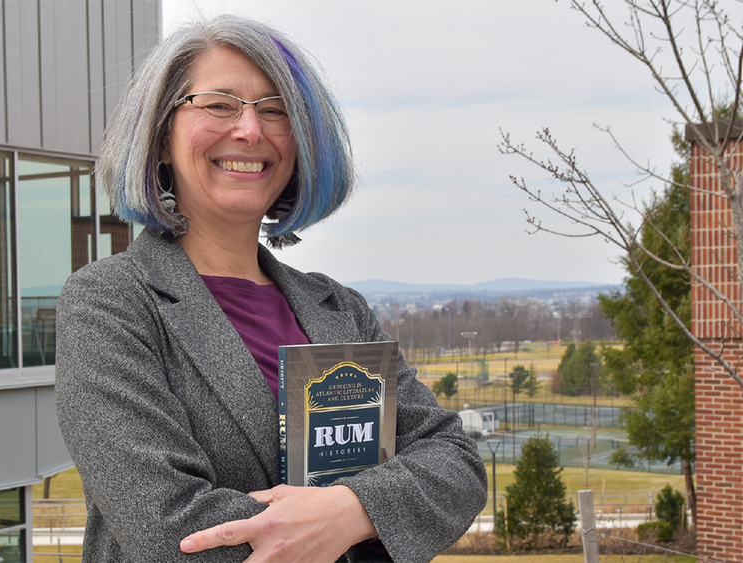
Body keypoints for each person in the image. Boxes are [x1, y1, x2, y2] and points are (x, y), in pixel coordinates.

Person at [55, 15, 487, 562]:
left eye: (276, 110)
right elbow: (168, 529)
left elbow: (455, 462)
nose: (250, 131)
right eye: (219, 104)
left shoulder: (338, 309)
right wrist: (369, 516)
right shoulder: (112, 304)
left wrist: (350, 508)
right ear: (161, 136)